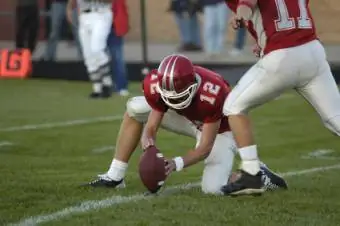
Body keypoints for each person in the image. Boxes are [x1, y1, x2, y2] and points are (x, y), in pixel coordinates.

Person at [85, 54, 287, 194]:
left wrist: (175, 163)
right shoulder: (155, 84)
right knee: (135, 109)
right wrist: (149, 144)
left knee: (213, 189)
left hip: (218, 130)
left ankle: (257, 175)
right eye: (168, 96)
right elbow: (152, 125)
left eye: (177, 95)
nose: (172, 99)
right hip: (184, 117)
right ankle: (115, 176)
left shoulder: (213, 91)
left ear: (192, 86)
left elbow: (205, 148)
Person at [222, 0, 340, 196]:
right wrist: (262, 40)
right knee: (336, 119)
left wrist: (241, 14)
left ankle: (251, 172)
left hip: (283, 56)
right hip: (313, 51)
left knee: (234, 107)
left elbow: (248, 3)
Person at [67, 0, 113, 98]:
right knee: (88, 55)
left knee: (96, 48)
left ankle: (107, 83)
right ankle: (97, 88)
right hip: (84, 15)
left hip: (101, 13)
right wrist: (69, 9)